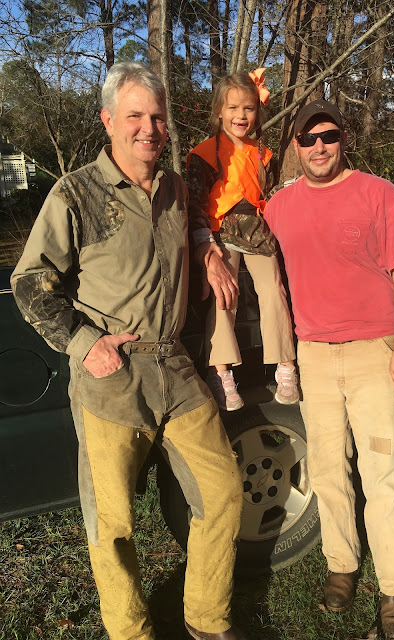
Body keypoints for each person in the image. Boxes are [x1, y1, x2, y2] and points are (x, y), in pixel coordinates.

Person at [11, 62, 248, 640]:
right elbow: (30, 281)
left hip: (175, 365)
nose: (149, 128)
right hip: (112, 377)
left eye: (158, 117)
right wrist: (84, 343)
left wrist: (207, 250)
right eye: (135, 116)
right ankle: (131, 631)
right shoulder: (76, 193)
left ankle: (206, 619)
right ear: (108, 120)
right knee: (113, 524)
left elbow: (199, 223)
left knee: (222, 492)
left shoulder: (174, 189)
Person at [264, 99, 394, 640]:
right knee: (329, 469)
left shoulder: (379, 193)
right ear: (295, 146)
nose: (319, 147)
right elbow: (246, 248)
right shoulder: (280, 206)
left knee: (385, 472)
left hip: (374, 351)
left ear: (343, 139)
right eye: (308, 139)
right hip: (313, 355)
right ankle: (341, 564)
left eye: (328, 135)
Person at [186, 69, 298, 411]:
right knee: (225, 294)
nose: (241, 115)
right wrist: (204, 240)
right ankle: (222, 372)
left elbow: (269, 194)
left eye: (249, 108)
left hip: (257, 230)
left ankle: (285, 364)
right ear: (219, 111)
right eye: (233, 108)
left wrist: (289, 191)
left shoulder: (262, 153)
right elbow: (195, 202)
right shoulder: (204, 153)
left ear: (257, 113)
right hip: (220, 230)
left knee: (274, 288)